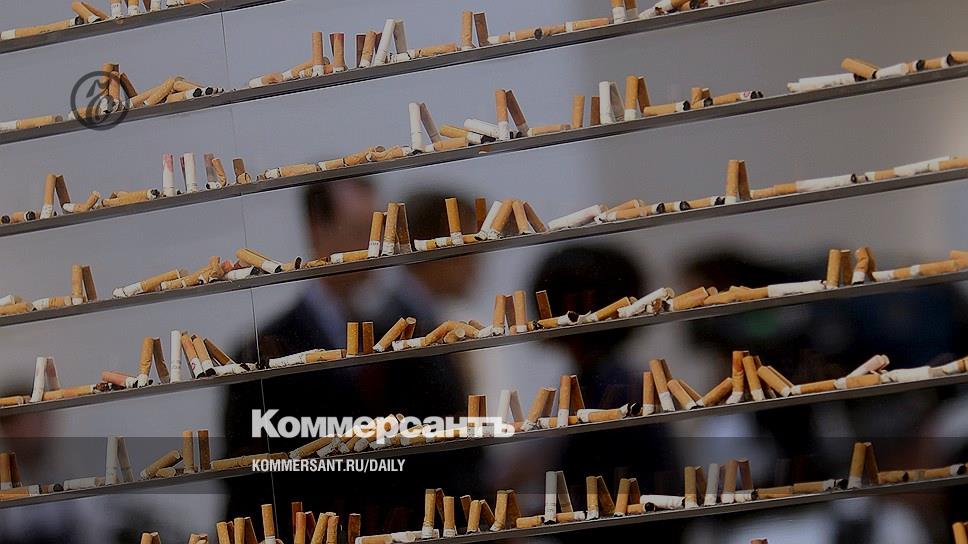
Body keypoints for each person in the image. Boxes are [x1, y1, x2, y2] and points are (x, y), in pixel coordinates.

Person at [222, 179, 483, 538]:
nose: (376, 247)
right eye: (361, 231)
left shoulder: (410, 335)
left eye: (380, 232)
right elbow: (250, 480)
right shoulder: (262, 352)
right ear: (317, 229)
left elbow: (449, 450)